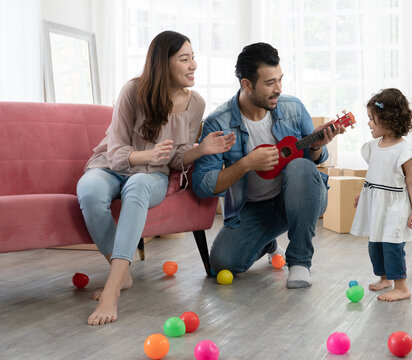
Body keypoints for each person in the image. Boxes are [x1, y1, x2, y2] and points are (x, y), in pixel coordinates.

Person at [77, 31, 235, 326]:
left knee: (137, 186)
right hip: (114, 167)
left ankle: (112, 288)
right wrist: (146, 156)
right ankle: (122, 273)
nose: (193, 65)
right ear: (164, 63)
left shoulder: (195, 103)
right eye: (184, 59)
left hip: (152, 177)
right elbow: (115, 151)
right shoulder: (132, 91)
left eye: (193, 57)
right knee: (88, 190)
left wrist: (201, 150)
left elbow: (176, 159)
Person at [192, 42, 345, 289]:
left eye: (280, 80)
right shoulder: (218, 123)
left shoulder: (293, 108)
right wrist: (245, 164)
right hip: (253, 208)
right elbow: (201, 186)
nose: (278, 89)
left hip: (301, 197)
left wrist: (317, 146)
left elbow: (316, 160)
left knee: (300, 167)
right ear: (247, 84)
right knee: (221, 263)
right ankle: (268, 243)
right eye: (270, 83)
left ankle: (299, 263)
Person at [350, 88, 412, 302]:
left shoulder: (404, 151)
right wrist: (363, 194)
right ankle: (385, 279)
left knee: (392, 245)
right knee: (376, 244)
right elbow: (373, 174)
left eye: (372, 119)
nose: (369, 123)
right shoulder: (373, 147)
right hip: (376, 204)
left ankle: (401, 286)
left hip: (395, 207)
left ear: (388, 120)